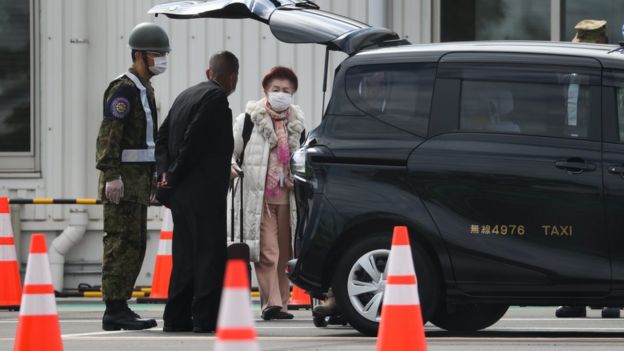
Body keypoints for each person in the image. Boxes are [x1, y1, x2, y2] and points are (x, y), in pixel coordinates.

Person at [155, 51, 239, 333]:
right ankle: (205, 319)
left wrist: (165, 174)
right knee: (208, 255)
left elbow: (162, 136)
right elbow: (194, 141)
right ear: (232, 78)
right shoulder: (216, 99)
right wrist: (175, 173)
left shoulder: (184, 96)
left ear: (208, 73)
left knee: (184, 256)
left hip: (180, 195)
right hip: (204, 193)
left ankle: (176, 317)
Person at [95, 22, 170, 331]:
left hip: (137, 183)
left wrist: (152, 177)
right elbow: (109, 134)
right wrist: (111, 174)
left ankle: (121, 306)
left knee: (135, 243)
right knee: (120, 243)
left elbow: (145, 141)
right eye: (157, 54)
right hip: (122, 183)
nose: (162, 59)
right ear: (139, 55)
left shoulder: (143, 88)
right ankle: (114, 308)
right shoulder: (124, 88)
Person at [230, 66, 305, 320]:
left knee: (285, 253)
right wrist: (232, 166)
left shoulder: (298, 123)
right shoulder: (249, 119)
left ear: (293, 92)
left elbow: (302, 159)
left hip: (288, 197)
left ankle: (282, 304)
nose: (281, 94)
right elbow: (232, 150)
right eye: (276, 89)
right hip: (258, 196)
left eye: (286, 90)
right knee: (267, 251)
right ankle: (270, 303)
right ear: (265, 91)